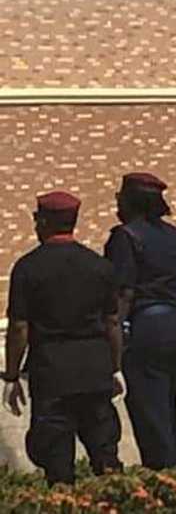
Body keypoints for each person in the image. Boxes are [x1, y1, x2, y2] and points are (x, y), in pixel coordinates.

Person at [3, 191, 124, 485]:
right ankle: (120, 500)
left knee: (56, 462)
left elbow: (19, 327)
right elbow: (112, 322)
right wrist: (115, 367)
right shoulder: (99, 266)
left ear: (44, 222)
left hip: (52, 373)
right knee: (106, 457)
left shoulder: (28, 268)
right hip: (95, 370)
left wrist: (11, 375)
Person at [104, 172, 176, 469]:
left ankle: (165, 480)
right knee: (166, 409)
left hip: (145, 328)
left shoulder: (125, 237)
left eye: (120, 198)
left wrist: (113, 341)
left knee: (149, 414)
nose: (117, 203)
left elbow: (123, 293)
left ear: (132, 202)